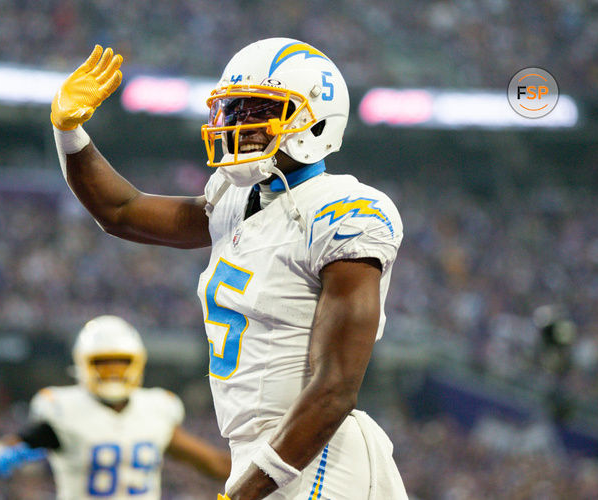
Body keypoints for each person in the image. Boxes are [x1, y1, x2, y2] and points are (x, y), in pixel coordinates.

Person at [49, 38, 407, 499]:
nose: (239, 123)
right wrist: (69, 131)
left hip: (317, 456)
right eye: (233, 110)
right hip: (270, 456)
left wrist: (245, 492)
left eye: (258, 110)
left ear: (316, 118)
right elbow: (121, 212)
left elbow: (334, 389)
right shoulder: (237, 200)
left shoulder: (346, 212)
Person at [0, 315, 231, 499]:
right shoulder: (63, 412)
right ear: (83, 364)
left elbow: (213, 464)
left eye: (120, 363)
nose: (113, 372)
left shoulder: (155, 410)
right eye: (104, 363)